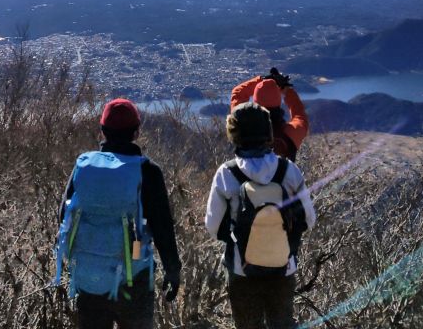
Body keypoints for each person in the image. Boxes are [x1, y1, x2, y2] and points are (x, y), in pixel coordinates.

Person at [57, 98, 181, 329]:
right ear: (136, 132)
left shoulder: (84, 166)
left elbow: (64, 215)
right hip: (134, 276)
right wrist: (173, 269)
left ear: (102, 130)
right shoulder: (148, 171)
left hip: (89, 274)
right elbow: (163, 227)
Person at [205, 102, 316, 329]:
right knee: (282, 323)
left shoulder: (227, 173)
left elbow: (213, 226)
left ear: (234, 134)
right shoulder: (288, 170)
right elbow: (308, 219)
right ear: (268, 133)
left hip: (241, 267)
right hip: (283, 265)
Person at [230, 68, 309, 160]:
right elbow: (300, 116)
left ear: (256, 102)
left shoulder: (242, 127)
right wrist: (287, 90)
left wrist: (261, 80)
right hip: (282, 174)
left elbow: (238, 93)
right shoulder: (291, 133)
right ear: (278, 101)